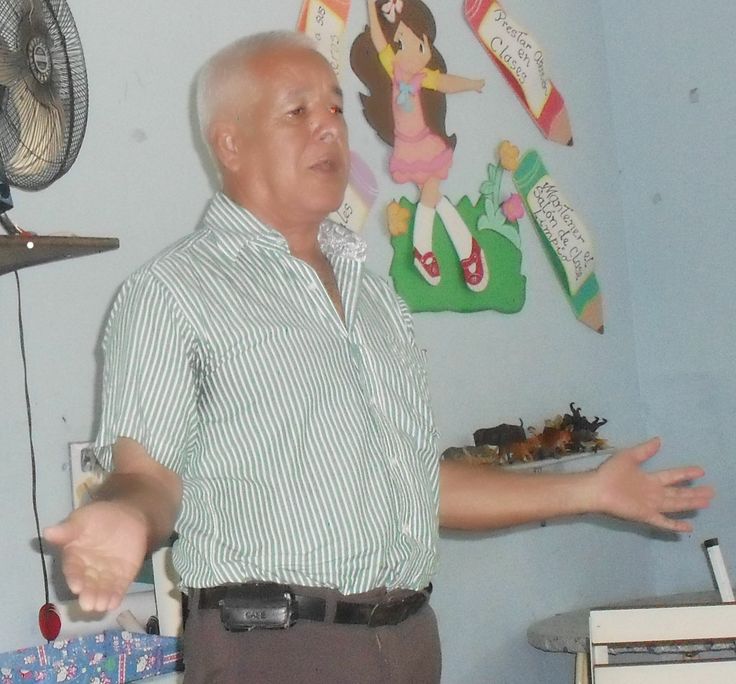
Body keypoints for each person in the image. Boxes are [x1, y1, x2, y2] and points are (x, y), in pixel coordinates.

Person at [43, 30, 713, 683]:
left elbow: (419, 488)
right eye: (297, 110)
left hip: (410, 639)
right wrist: (127, 514)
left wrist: (590, 490)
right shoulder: (173, 294)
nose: (330, 126)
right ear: (231, 143)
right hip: (278, 654)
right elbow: (150, 476)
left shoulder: (374, 295)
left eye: (335, 106)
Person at [351, 0, 488, 291]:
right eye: (400, 44)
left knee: (431, 192)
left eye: (417, 46)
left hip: (426, 144)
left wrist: (473, 84)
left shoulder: (424, 77)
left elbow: (447, 83)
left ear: (427, 46)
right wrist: (371, 9)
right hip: (407, 147)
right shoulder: (395, 71)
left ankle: (425, 249)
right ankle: (467, 250)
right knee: (434, 196)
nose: (407, 52)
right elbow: (378, 40)